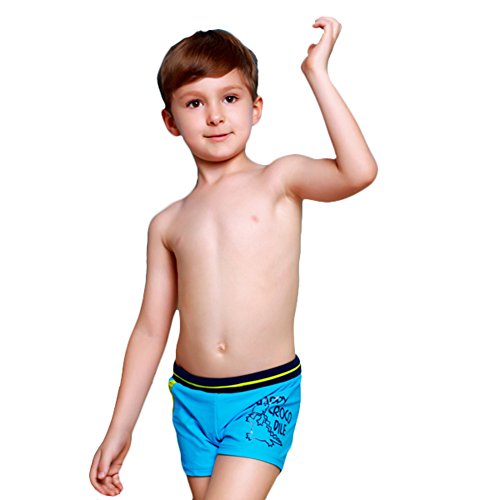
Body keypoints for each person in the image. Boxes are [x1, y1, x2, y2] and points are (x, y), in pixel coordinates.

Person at [89, 16, 377, 499]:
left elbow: (358, 171)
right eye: (195, 103)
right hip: (192, 400)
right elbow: (151, 330)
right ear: (170, 121)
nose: (215, 117)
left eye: (230, 98)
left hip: (263, 394)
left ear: (255, 107)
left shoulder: (280, 180)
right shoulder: (167, 223)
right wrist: (120, 427)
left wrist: (317, 74)